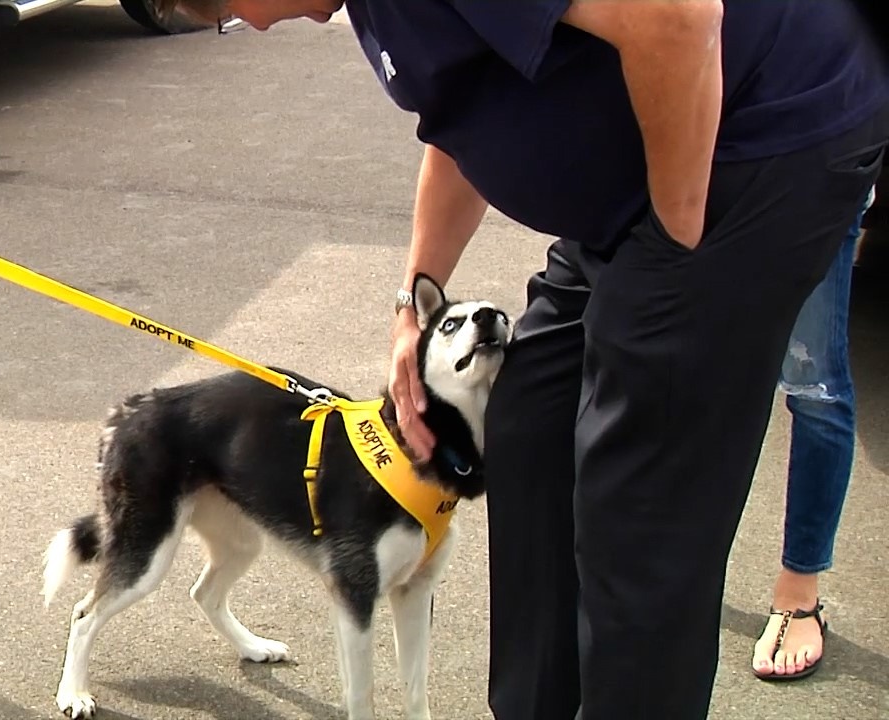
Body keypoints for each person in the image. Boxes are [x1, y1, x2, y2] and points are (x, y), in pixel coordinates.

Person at [157, 0, 887, 717]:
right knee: (530, 420)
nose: (251, 25)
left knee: (637, 505)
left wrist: (675, 228)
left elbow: (678, 16)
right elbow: (468, 119)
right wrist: (415, 304)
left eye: (225, 10)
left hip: (759, 141)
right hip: (636, 185)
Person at [752, 186, 875, 681]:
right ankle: (671, 568)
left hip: (814, 173)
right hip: (703, 174)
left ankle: (799, 592)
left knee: (815, 385)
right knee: (695, 380)